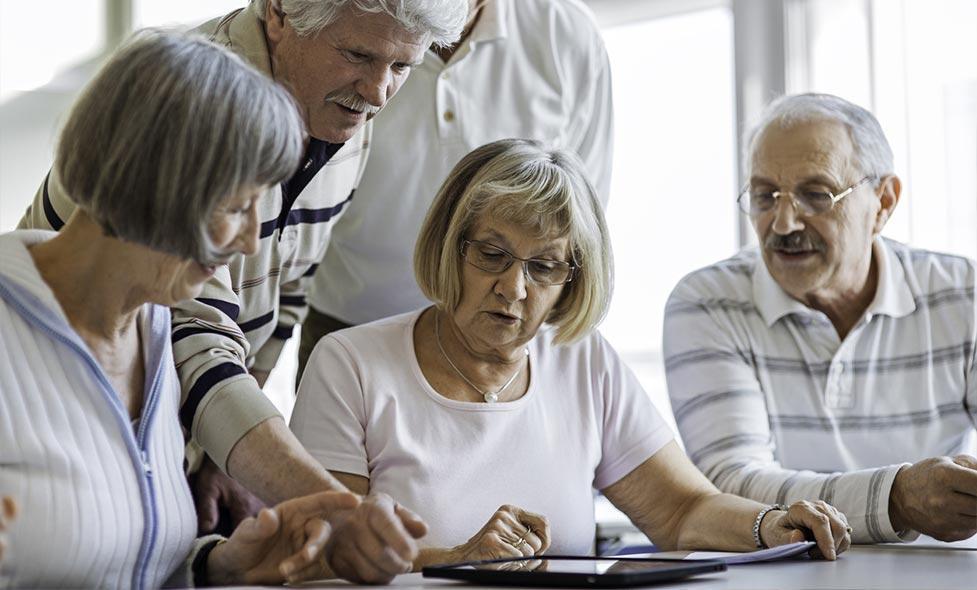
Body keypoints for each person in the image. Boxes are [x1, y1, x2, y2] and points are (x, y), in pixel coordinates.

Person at [18, 1, 467, 582]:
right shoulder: (190, 111)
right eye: (357, 54)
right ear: (278, 12)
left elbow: (291, 287)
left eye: (401, 67)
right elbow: (198, 348)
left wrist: (218, 514)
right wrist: (335, 510)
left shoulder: (340, 106)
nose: (379, 92)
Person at [291, 139, 852, 565]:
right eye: (492, 255)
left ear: (572, 281)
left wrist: (770, 524)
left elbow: (683, 510)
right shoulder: (350, 364)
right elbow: (318, 556)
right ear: (448, 245)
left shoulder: (582, 360)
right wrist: (458, 560)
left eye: (543, 267)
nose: (513, 288)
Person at [663, 93, 977, 545]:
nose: (783, 223)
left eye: (815, 195)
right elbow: (730, 484)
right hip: (780, 574)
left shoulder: (963, 295)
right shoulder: (708, 303)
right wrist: (896, 497)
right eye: (764, 196)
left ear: (883, 202)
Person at [299, 0, 614, 379]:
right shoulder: (355, 15)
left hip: (506, 337)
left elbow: (583, 220)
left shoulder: (568, 34)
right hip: (351, 322)